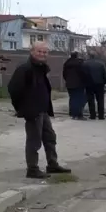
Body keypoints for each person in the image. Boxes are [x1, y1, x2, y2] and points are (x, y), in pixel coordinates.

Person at [7, 42, 71, 179]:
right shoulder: (25, 69)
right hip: (32, 111)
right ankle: (32, 169)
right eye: (39, 51)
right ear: (32, 52)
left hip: (43, 110)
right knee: (34, 141)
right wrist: (22, 109)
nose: (42, 54)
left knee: (50, 137)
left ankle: (52, 164)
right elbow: (13, 89)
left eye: (45, 52)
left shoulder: (41, 68)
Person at [62, 52, 87, 120]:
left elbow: (64, 74)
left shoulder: (66, 63)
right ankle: (79, 115)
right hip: (79, 83)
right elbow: (83, 73)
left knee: (72, 98)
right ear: (77, 55)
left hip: (69, 84)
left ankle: (72, 114)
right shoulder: (80, 63)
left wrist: (67, 80)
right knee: (79, 99)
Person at [83, 53, 106, 120]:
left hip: (89, 84)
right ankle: (101, 115)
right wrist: (104, 83)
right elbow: (104, 74)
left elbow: (83, 74)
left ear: (88, 56)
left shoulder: (85, 64)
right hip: (100, 84)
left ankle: (92, 115)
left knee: (90, 100)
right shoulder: (101, 64)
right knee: (100, 100)